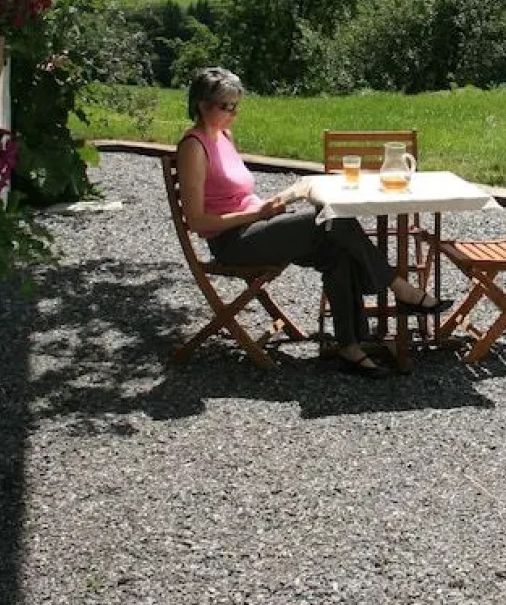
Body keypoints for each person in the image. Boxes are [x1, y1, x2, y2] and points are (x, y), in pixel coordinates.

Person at [176, 67, 447, 377]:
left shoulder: (223, 135)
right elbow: (197, 221)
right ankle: (399, 289)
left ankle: (350, 346)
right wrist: (259, 214)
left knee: (337, 252)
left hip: (257, 226)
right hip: (233, 242)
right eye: (226, 106)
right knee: (331, 219)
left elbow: (235, 194)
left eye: (236, 105)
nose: (233, 113)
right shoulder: (193, 147)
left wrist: (279, 201)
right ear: (201, 104)